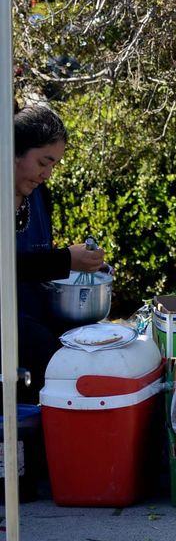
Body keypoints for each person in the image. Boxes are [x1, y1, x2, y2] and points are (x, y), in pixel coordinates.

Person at [12, 105, 105, 403]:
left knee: (88, 342)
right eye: (43, 162)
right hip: (7, 323)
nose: (48, 174)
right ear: (14, 152)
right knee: (41, 348)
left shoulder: (39, 195)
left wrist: (84, 266)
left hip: (34, 310)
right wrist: (65, 260)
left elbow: (36, 258)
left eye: (54, 165)